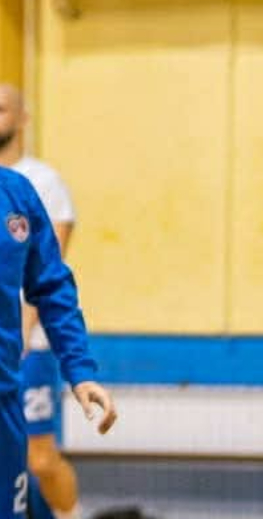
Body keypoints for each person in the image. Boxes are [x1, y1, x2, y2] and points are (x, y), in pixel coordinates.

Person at [0, 83, 117, 518]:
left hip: (6, 395)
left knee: (39, 463)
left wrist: (80, 370)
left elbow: (51, 285)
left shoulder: (21, 192)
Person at [0, 84, 80, 519]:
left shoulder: (41, 181)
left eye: (1, 108)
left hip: (28, 346)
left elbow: (47, 269)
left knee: (40, 459)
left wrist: (25, 336)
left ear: (23, 118)